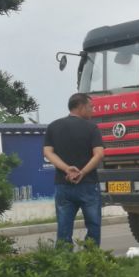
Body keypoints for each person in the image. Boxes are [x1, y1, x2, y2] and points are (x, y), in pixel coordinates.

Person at [43, 93, 105, 246]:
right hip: (88, 184)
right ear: (81, 106)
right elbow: (99, 154)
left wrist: (67, 169)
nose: (93, 110)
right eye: (91, 107)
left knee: (64, 227)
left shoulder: (53, 126)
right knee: (93, 225)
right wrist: (82, 173)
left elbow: (48, 152)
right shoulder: (92, 128)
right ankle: (91, 258)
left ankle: (64, 261)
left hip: (63, 185)